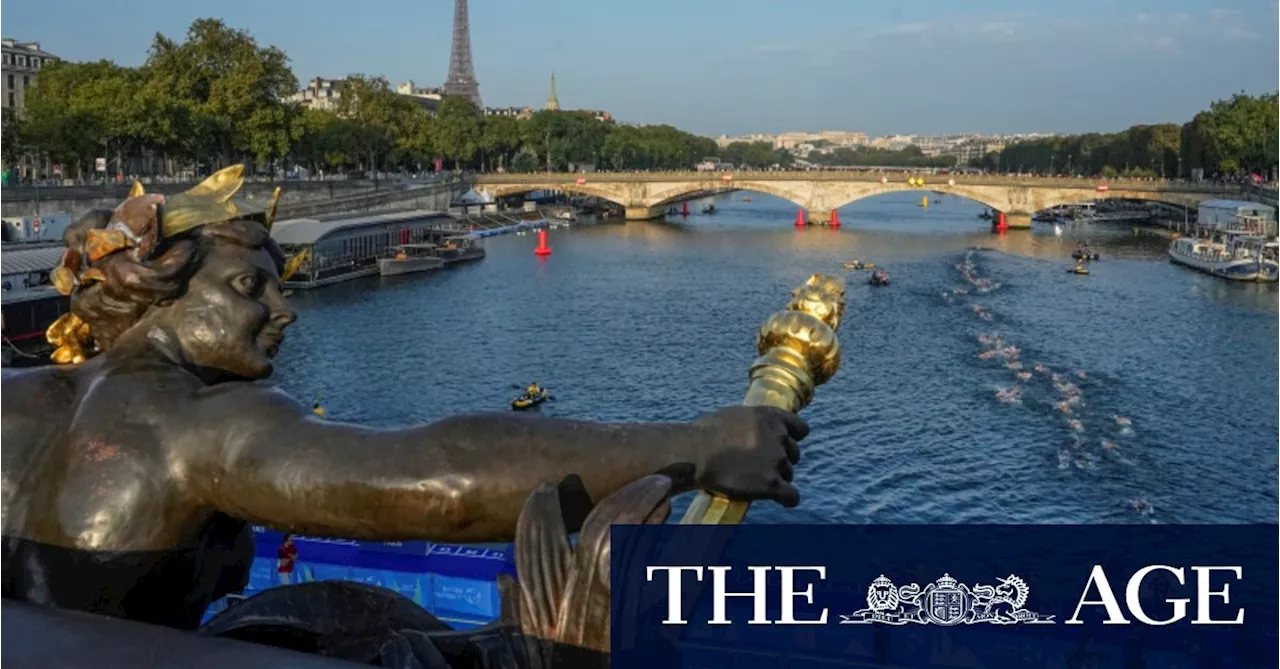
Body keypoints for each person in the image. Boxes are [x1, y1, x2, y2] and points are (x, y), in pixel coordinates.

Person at [0, 167, 807, 631]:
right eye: (251, 287)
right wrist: (702, 446)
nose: (282, 311)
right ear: (162, 294)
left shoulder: (23, 397)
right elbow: (439, 479)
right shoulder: (196, 423)